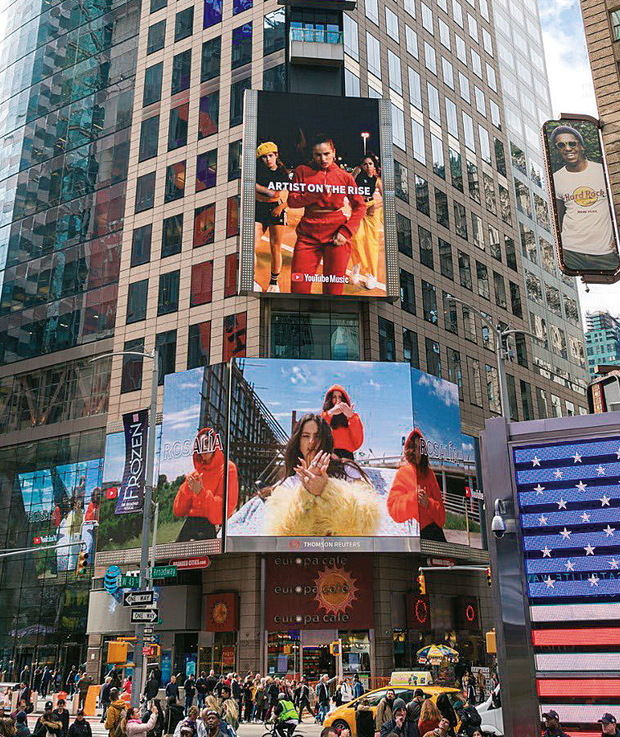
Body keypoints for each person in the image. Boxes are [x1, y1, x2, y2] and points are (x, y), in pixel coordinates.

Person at [264, 414, 380, 537]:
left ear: (326, 440)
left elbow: (366, 520)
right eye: (305, 436)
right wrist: (305, 493)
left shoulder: (348, 470)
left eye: (317, 436)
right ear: (297, 442)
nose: (312, 442)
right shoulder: (289, 484)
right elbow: (283, 534)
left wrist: (327, 490)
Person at [287, 136, 366, 296]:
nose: (323, 159)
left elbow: (360, 206)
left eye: (326, 154)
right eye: (318, 155)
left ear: (333, 152)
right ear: (312, 155)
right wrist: (314, 194)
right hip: (307, 236)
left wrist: (347, 231)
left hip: (336, 236)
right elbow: (292, 201)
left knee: (333, 290)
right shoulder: (302, 171)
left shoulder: (345, 177)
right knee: (298, 288)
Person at [550, 124, 619, 273]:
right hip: (571, 251)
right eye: (561, 145)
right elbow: (559, 218)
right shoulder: (556, 179)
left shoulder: (602, 171)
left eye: (572, 143)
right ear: (558, 150)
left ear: (581, 146)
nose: (567, 148)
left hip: (605, 251)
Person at [172, 428, 239, 542]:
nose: (204, 447)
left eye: (207, 442)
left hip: (208, 526)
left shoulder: (228, 468)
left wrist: (201, 493)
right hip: (189, 525)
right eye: (200, 444)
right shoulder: (194, 474)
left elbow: (223, 510)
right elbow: (178, 510)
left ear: (215, 444)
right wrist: (187, 489)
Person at [387, 428, 446, 541]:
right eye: (414, 447)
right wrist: (413, 498)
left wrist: (428, 503)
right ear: (409, 449)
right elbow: (394, 510)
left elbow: (442, 517)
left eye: (420, 448)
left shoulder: (429, 474)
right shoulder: (403, 472)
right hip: (413, 535)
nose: (417, 451)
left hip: (435, 533)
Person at [254, 142, 290, 293]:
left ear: (276, 155)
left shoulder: (282, 173)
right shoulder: (257, 171)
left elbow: (282, 195)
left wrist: (281, 207)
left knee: (275, 248)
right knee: (251, 246)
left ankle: (274, 282)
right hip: (258, 209)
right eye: (264, 157)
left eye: (270, 155)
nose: (268, 159)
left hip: (276, 209)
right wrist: (263, 191)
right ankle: (252, 278)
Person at [349, 154, 383, 290]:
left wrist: (376, 206)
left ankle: (371, 274)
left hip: (371, 212)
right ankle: (356, 267)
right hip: (358, 209)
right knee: (356, 239)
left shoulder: (377, 181)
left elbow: (389, 196)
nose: (368, 166)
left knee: (371, 243)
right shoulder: (357, 176)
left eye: (370, 164)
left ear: (374, 166)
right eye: (365, 164)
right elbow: (347, 186)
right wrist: (354, 172)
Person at [321, 386, 364, 460]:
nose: (337, 400)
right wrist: (330, 413)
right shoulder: (323, 416)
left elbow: (358, 441)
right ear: (330, 399)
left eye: (340, 397)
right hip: (328, 456)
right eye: (334, 397)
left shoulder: (352, 418)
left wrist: (352, 417)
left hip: (347, 457)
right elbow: (318, 432)